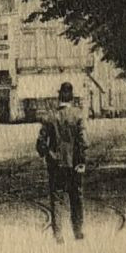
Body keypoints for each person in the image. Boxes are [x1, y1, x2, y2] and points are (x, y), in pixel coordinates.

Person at [37, 81, 86, 242]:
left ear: (59, 96)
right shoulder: (78, 115)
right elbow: (83, 141)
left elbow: (41, 143)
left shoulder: (50, 116)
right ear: (71, 96)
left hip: (56, 164)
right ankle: (78, 231)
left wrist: (49, 155)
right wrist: (81, 161)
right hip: (74, 164)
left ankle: (58, 234)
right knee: (76, 196)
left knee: (57, 198)